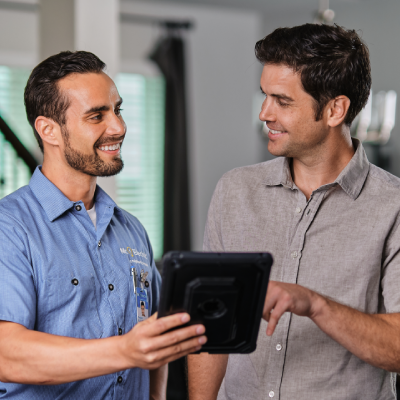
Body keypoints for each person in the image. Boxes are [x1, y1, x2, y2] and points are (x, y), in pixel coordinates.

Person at [187, 23, 400, 400]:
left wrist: (314, 304)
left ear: (335, 109)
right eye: (264, 96)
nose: (264, 113)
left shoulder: (393, 206)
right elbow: (211, 324)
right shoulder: (235, 191)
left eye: (282, 101)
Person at [0, 51, 206, 399]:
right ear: (48, 129)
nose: (119, 127)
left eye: (118, 110)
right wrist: (124, 350)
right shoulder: (10, 227)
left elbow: (153, 339)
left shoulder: (132, 230)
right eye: (97, 115)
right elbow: (7, 354)